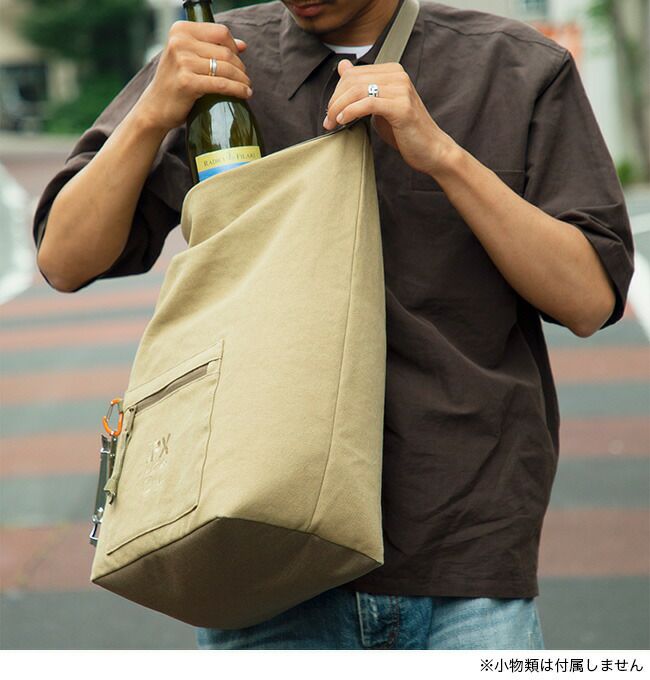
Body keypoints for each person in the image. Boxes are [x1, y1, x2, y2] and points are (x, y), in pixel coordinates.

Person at [33, 0, 634, 650]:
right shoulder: (213, 57)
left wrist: (444, 158)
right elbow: (64, 259)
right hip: (258, 545)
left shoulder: (514, 68)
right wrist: (152, 113)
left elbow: (588, 300)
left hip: (463, 546)